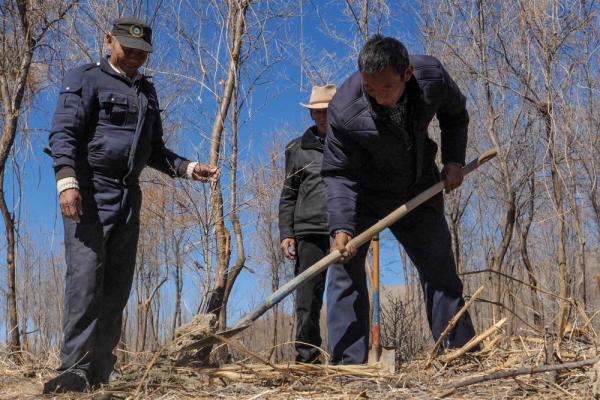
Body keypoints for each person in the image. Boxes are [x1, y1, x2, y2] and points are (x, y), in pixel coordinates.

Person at [43, 17, 219, 393]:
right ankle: (73, 369)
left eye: (143, 52)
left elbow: (154, 150)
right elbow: (64, 132)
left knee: (117, 287)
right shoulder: (86, 78)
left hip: (128, 196)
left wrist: (188, 169)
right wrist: (66, 181)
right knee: (86, 282)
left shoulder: (147, 94)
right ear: (109, 41)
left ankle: (101, 369)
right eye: (129, 48)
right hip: (91, 191)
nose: (136, 56)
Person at [321, 35, 477, 365]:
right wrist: (341, 228)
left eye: (387, 88)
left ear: (407, 74)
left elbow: (455, 113)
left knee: (440, 272)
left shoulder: (431, 76)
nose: (379, 97)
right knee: (343, 271)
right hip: (364, 196)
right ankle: (347, 369)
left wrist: (453, 160)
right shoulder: (344, 110)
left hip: (418, 188)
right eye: (371, 89)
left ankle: (460, 356)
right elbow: (338, 173)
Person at [278, 84, 337, 364]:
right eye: (318, 112)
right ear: (312, 114)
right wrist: (286, 233)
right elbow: (288, 194)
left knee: (345, 294)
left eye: (328, 111)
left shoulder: (350, 144)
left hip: (345, 231)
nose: (324, 116)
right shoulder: (298, 149)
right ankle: (307, 358)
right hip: (310, 232)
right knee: (308, 299)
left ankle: (348, 356)